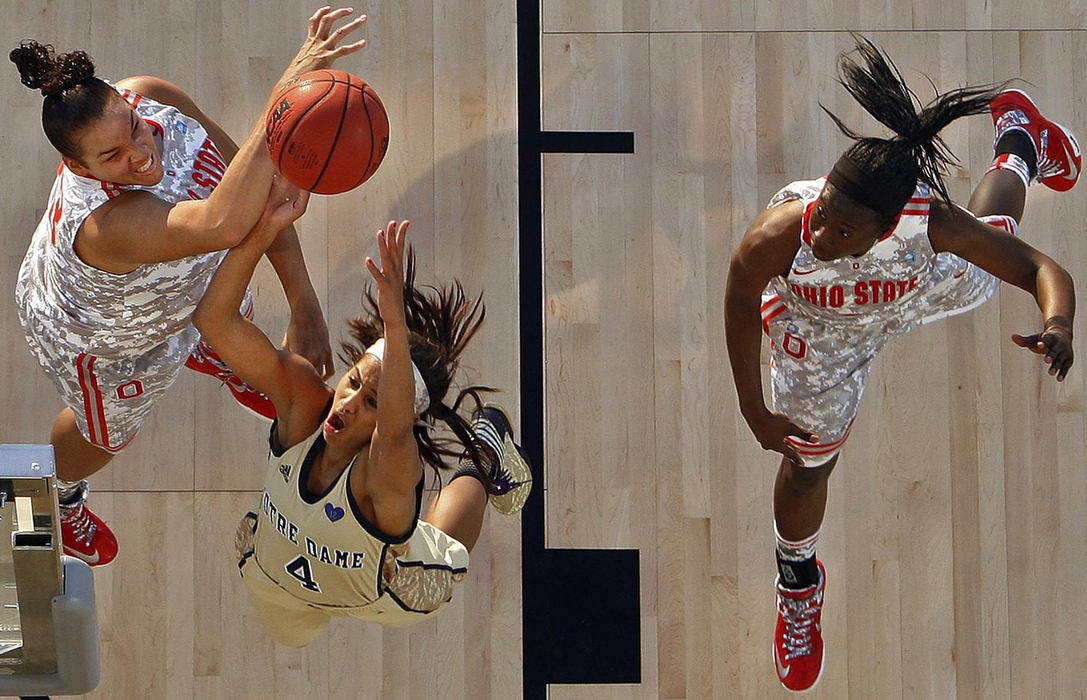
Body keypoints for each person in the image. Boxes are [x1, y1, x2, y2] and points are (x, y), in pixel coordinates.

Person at [724, 37, 1077, 693]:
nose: (823, 236)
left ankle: (1020, 140)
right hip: (818, 324)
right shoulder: (776, 237)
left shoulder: (927, 223)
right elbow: (740, 305)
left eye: (842, 232)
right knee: (807, 461)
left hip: (907, 289)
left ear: (888, 226)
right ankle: (797, 580)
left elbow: (1038, 268)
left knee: (991, 252)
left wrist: (1056, 324)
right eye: (823, 216)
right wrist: (752, 407)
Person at [9, 6, 368, 567]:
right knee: (105, 436)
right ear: (78, 169)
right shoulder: (108, 226)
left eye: (130, 125)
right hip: (104, 338)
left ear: (128, 102)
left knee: (219, 315)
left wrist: (304, 304)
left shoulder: (152, 95)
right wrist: (289, 91)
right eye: (111, 156)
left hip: (183, 289)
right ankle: (59, 494)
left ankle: (222, 357)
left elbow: (253, 180)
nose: (140, 151)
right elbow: (228, 221)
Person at [192, 205, 532, 646]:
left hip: (384, 594)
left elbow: (392, 432)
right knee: (293, 640)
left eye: (371, 401)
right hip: (279, 578)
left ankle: (485, 457)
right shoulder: (302, 406)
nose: (348, 402)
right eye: (351, 382)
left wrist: (394, 322)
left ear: (403, 412)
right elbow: (213, 321)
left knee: (444, 555)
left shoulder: (385, 473)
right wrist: (259, 231)